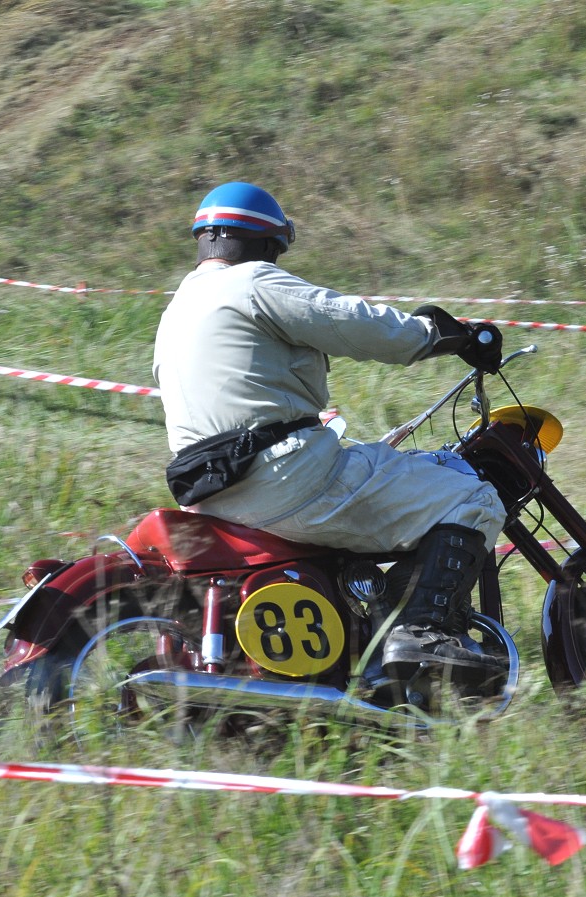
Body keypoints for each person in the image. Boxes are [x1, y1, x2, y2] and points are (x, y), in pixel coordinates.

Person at [152, 181, 507, 680]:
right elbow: (348, 321)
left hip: (209, 493)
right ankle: (421, 633)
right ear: (267, 243)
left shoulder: (178, 308)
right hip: (286, 477)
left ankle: (371, 629)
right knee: (473, 498)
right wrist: (439, 335)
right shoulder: (252, 282)